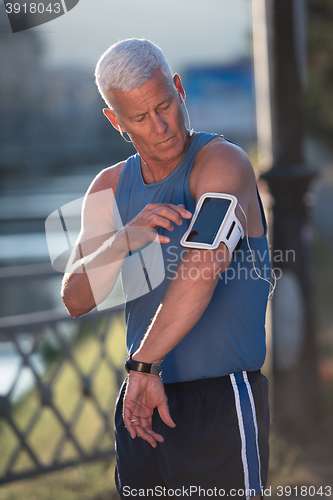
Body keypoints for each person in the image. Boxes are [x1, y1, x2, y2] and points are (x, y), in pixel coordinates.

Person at [61, 39, 271, 499]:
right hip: (141, 403)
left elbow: (204, 262)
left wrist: (142, 365)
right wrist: (121, 241)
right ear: (116, 121)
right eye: (140, 117)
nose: (161, 127)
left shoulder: (221, 162)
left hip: (219, 400)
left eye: (165, 106)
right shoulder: (110, 187)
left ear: (178, 89)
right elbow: (76, 299)